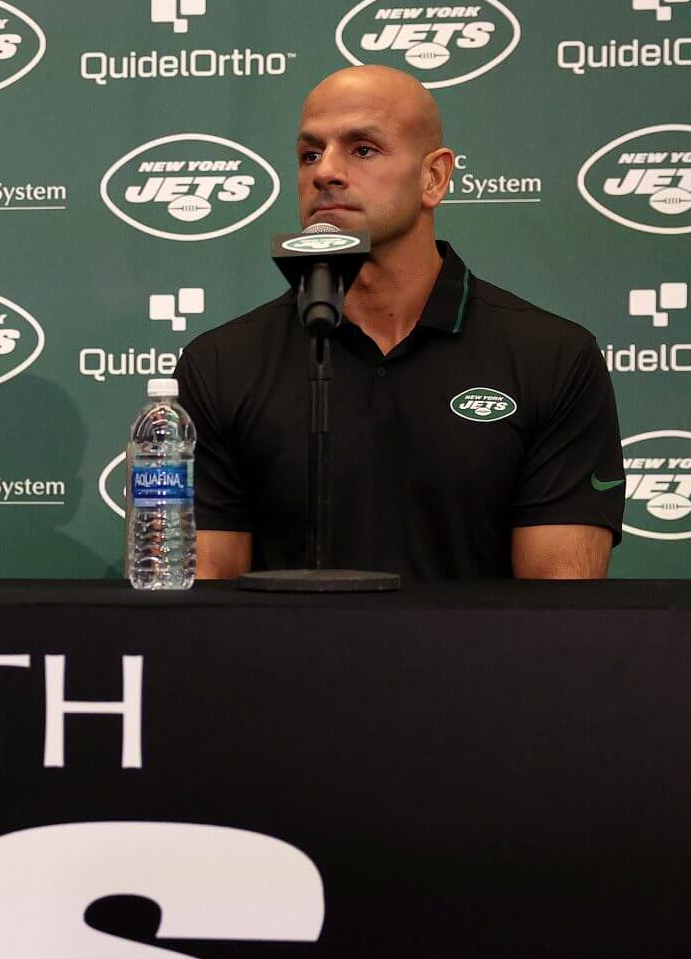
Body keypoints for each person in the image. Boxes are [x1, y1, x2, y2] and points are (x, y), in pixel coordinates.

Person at [176, 66, 621, 582]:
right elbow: (208, 603)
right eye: (309, 154)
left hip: (478, 664)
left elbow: (558, 607)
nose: (325, 173)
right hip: (286, 664)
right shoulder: (221, 364)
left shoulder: (553, 357)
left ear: (434, 177)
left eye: (362, 149)